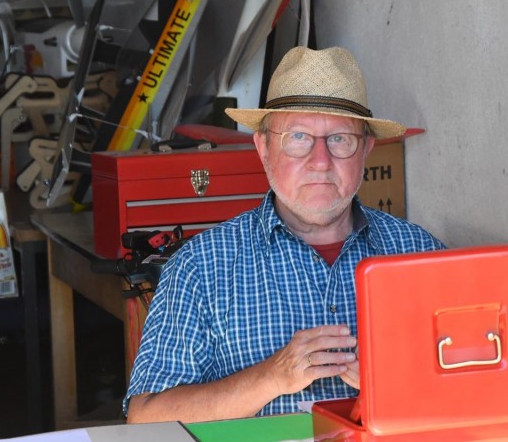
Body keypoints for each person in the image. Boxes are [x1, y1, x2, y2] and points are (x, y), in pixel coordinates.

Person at [124, 46, 445, 423]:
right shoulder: (200, 267)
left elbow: (478, 391)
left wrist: (396, 383)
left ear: (366, 149)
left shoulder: (420, 254)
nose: (320, 161)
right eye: (298, 137)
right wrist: (271, 376)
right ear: (263, 147)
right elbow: (145, 418)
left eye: (340, 139)